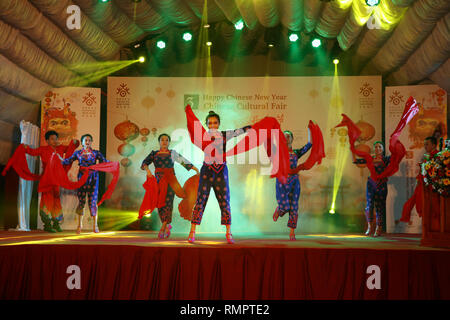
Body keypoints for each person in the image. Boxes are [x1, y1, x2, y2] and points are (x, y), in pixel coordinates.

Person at [188, 110, 251, 244]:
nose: (212, 125)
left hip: (221, 171)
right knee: (200, 200)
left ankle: (228, 233)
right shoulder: (203, 136)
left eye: (215, 123)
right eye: (209, 123)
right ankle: (192, 231)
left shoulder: (224, 134)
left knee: (224, 201)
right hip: (207, 170)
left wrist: (250, 128)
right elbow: (192, 132)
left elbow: (238, 132)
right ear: (206, 124)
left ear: (219, 124)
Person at [141, 134, 199, 239]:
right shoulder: (154, 154)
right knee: (159, 204)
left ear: (169, 142)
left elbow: (184, 161)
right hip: (159, 182)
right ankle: (167, 226)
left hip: (171, 181)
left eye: (166, 140)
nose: (164, 142)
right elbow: (144, 163)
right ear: (159, 142)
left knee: (168, 203)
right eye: (162, 140)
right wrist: (148, 171)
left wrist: (196, 169)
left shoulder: (172, 153)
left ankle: (163, 227)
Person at [23, 130, 79, 232]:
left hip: (57, 179)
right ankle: (47, 224)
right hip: (47, 179)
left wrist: (75, 142)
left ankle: (56, 223)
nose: (55, 141)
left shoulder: (61, 148)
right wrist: (25, 148)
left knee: (57, 201)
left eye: (56, 138)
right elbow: (32, 152)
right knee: (47, 200)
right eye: (52, 139)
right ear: (47, 141)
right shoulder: (43, 149)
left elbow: (72, 148)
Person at [62, 134, 109, 233]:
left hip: (93, 178)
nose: (87, 142)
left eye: (89, 140)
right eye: (85, 140)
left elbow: (105, 162)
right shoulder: (78, 153)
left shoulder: (96, 153)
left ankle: (95, 225)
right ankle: (79, 225)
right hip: (82, 178)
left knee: (93, 201)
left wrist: (113, 164)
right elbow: (67, 161)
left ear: (91, 142)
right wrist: (58, 159)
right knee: (81, 201)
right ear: (82, 142)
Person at [273, 129, 312, 240]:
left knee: (294, 206)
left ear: (292, 139)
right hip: (282, 181)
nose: (287, 138)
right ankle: (280, 210)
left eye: (289, 136)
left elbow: (310, 144)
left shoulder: (296, 152)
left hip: (294, 181)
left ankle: (292, 233)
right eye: (284, 136)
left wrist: (310, 130)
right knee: (285, 206)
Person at [352, 141, 391, 237]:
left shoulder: (386, 159)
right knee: (369, 206)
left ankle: (379, 228)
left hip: (381, 184)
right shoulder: (370, 158)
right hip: (371, 184)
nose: (378, 149)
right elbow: (357, 161)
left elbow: (396, 158)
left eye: (380, 147)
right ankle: (369, 226)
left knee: (379, 207)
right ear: (374, 149)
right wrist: (352, 151)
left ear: (383, 149)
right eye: (376, 147)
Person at [398, 136, 438, 224]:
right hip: (424, 186)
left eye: (427, 144)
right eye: (424, 145)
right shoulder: (427, 157)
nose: (425, 147)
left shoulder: (438, 157)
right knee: (422, 206)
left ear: (434, 145)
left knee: (430, 209)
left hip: (431, 188)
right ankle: (427, 231)